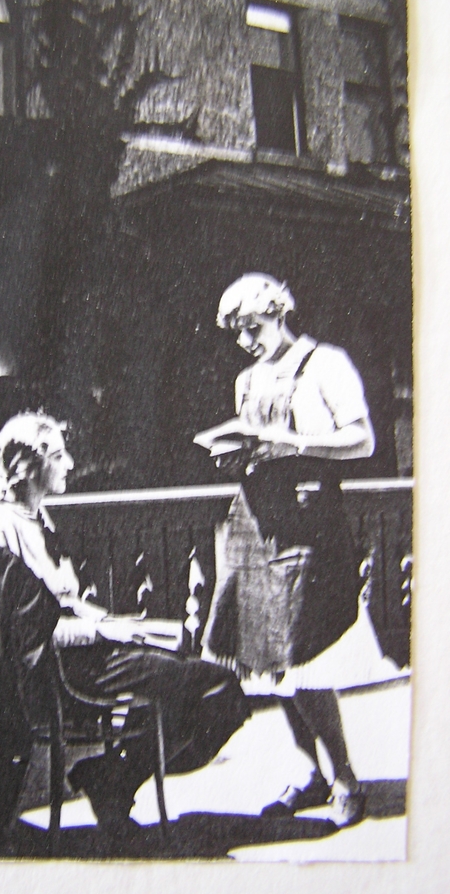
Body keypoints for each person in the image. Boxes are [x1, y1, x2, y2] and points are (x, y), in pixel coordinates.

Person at [0, 411, 250, 841]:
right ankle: (115, 777)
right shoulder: (0, 528)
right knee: (218, 690)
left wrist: (110, 622)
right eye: (58, 456)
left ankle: (112, 777)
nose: (70, 465)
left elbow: (60, 602)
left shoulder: (35, 517)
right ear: (26, 467)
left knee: (197, 668)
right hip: (61, 672)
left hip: (88, 655)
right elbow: (20, 632)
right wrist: (102, 632)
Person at [198, 273, 390, 829]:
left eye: (252, 328)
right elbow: (255, 446)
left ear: (278, 313)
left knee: (302, 657)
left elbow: (363, 439)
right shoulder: (247, 379)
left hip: (308, 522)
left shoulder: (325, 363)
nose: (245, 342)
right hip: (255, 521)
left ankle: (345, 777)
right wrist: (236, 455)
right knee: (266, 657)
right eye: (237, 333)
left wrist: (295, 444)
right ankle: (310, 772)